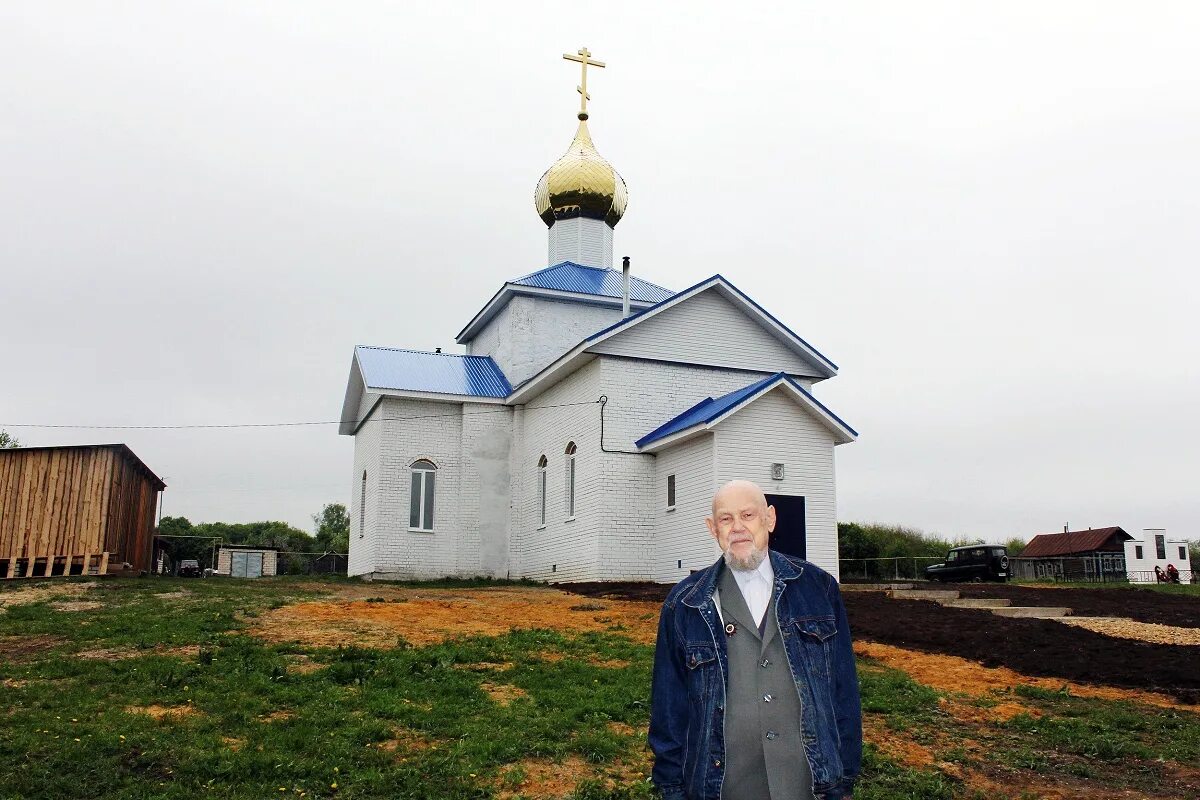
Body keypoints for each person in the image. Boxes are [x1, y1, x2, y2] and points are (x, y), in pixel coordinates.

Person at [649, 480, 861, 800]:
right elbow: (668, 709)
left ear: (770, 519)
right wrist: (672, 788)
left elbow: (843, 691)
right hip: (722, 786)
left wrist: (844, 779)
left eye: (748, 515)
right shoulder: (685, 604)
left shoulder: (819, 589)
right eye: (725, 518)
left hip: (808, 784)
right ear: (712, 528)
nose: (737, 528)